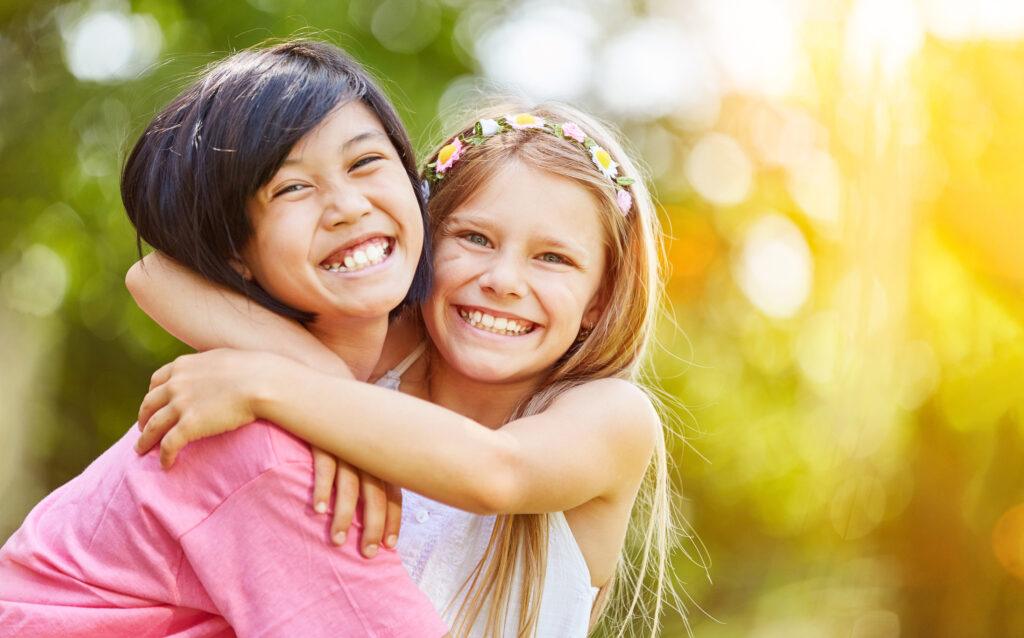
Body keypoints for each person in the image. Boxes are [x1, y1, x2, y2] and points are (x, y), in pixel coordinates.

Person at [128, 104, 681, 637]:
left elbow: (497, 472)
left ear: (597, 300)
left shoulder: (610, 415)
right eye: (475, 238)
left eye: (553, 258)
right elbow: (154, 275)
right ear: (424, 240)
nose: (504, 280)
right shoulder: (385, 353)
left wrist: (265, 383)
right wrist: (324, 378)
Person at [0, 40, 448, 638]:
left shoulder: (395, 372)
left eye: (365, 162)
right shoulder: (273, 452)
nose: (346, 206)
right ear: (236, 251)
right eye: (290, 189)